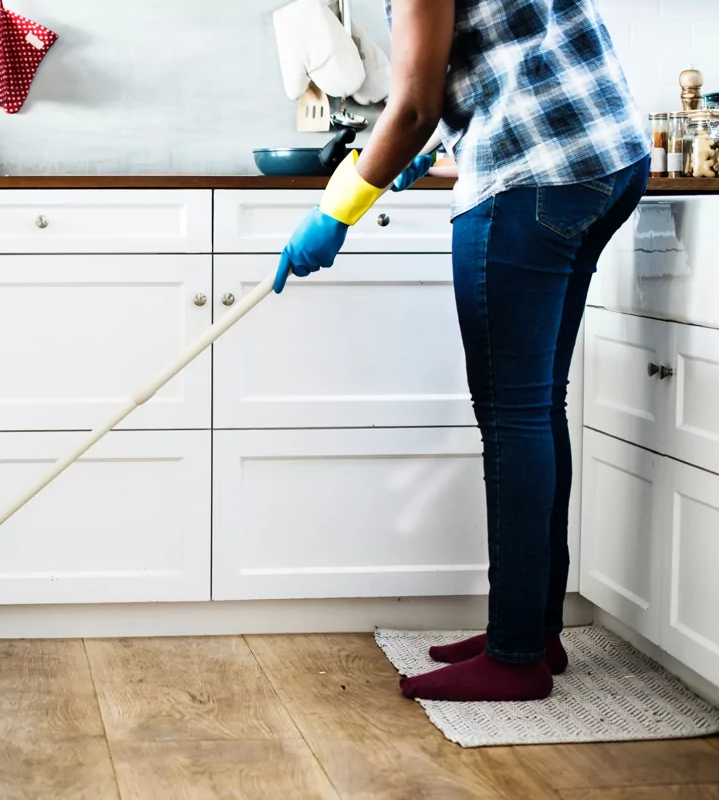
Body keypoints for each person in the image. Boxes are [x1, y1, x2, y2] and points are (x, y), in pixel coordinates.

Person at [276, 0, 651, 702]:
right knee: (537, 406)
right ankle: (532, 630)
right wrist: (431, 146)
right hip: (606, 160)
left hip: (532, 175)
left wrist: (337, 212)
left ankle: (515, 658)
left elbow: (413, 103)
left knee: (513, 416)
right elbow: (497, 54)